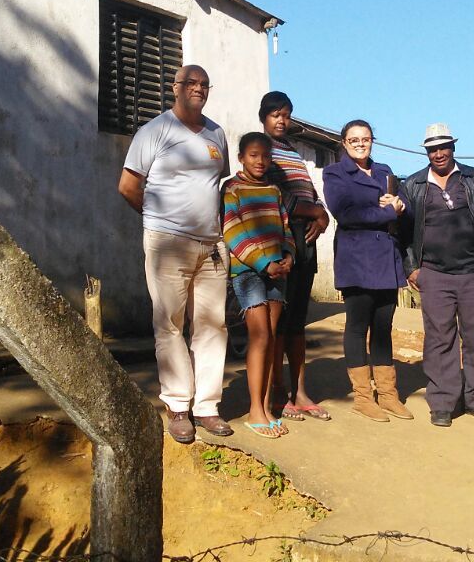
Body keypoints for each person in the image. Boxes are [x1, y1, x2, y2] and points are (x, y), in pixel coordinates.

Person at [117, 64, 233, 443]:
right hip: (168, 242)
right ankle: (178, 404)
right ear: (176, 88)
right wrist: (158, 220)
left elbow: (216, 186)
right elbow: (129, 186)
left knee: (213, 325)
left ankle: (207, 406)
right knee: (170, 323)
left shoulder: (217, 133)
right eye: (191, 83)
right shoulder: (154, 131)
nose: (198, 89)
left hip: (212, 245)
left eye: (204, 84)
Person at [400, 123, 474, 427]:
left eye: (443, 147)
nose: (438, 153)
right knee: (439, 338)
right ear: (426, 152)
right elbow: (404, 232)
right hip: (434, 274)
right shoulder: (414, 184)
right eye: (432, 149)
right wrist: (413, 268)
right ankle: (443, 402)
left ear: (453, 147)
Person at [322, 120, 412, 422]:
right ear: (344, 143)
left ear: (372, 141)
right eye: (353, 139)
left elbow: (403, 209)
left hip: (387, 258)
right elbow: (345, 214)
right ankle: (363, 397)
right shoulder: (334, 173)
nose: (360, 143)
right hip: (356, 259)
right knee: (358, 327)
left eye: (366, 138)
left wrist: (400, 205)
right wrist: (388, 211)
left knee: (384, 328)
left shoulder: (385, 171)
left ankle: (388, 395)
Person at [258, 91, 332, 422]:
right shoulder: (260, 151)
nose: (282, 120)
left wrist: (322, 214)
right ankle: (276, 392)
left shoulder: (291, 152)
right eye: (275, 114)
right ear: (263, 117)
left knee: (298, 322)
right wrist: (314, 211)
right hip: (279, 243)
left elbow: (309, 193)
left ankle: (299, 393)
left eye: (286, 114)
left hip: (305, 242)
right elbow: (277, 198)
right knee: (278, 322)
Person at [222, 132, 296, 439]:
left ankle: (266, 408)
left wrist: (289, 255)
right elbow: (232, 231)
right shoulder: (232, 188)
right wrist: (263, 262)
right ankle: (255, 410)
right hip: (250, 272)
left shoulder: (273, 190)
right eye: (253, 155)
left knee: (272, 336)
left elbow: (285, 226)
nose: (260, 161)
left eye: (265, 156)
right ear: (241, 157)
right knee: (260, 335)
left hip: (279, 271)